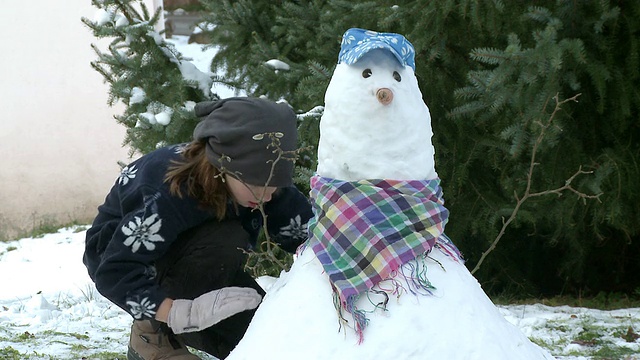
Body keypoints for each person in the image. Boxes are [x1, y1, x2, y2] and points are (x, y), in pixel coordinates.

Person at [83, 97, 314, 360]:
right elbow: (114, 271)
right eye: (259, 181)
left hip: (206, 262)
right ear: (226, 165)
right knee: (228, 237)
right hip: (128, 260)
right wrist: (176, 312)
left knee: (270, 340)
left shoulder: (264, 186)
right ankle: (152, 334)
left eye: (277, 182)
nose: (269, 193)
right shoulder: (172, 193)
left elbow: (310, 239)